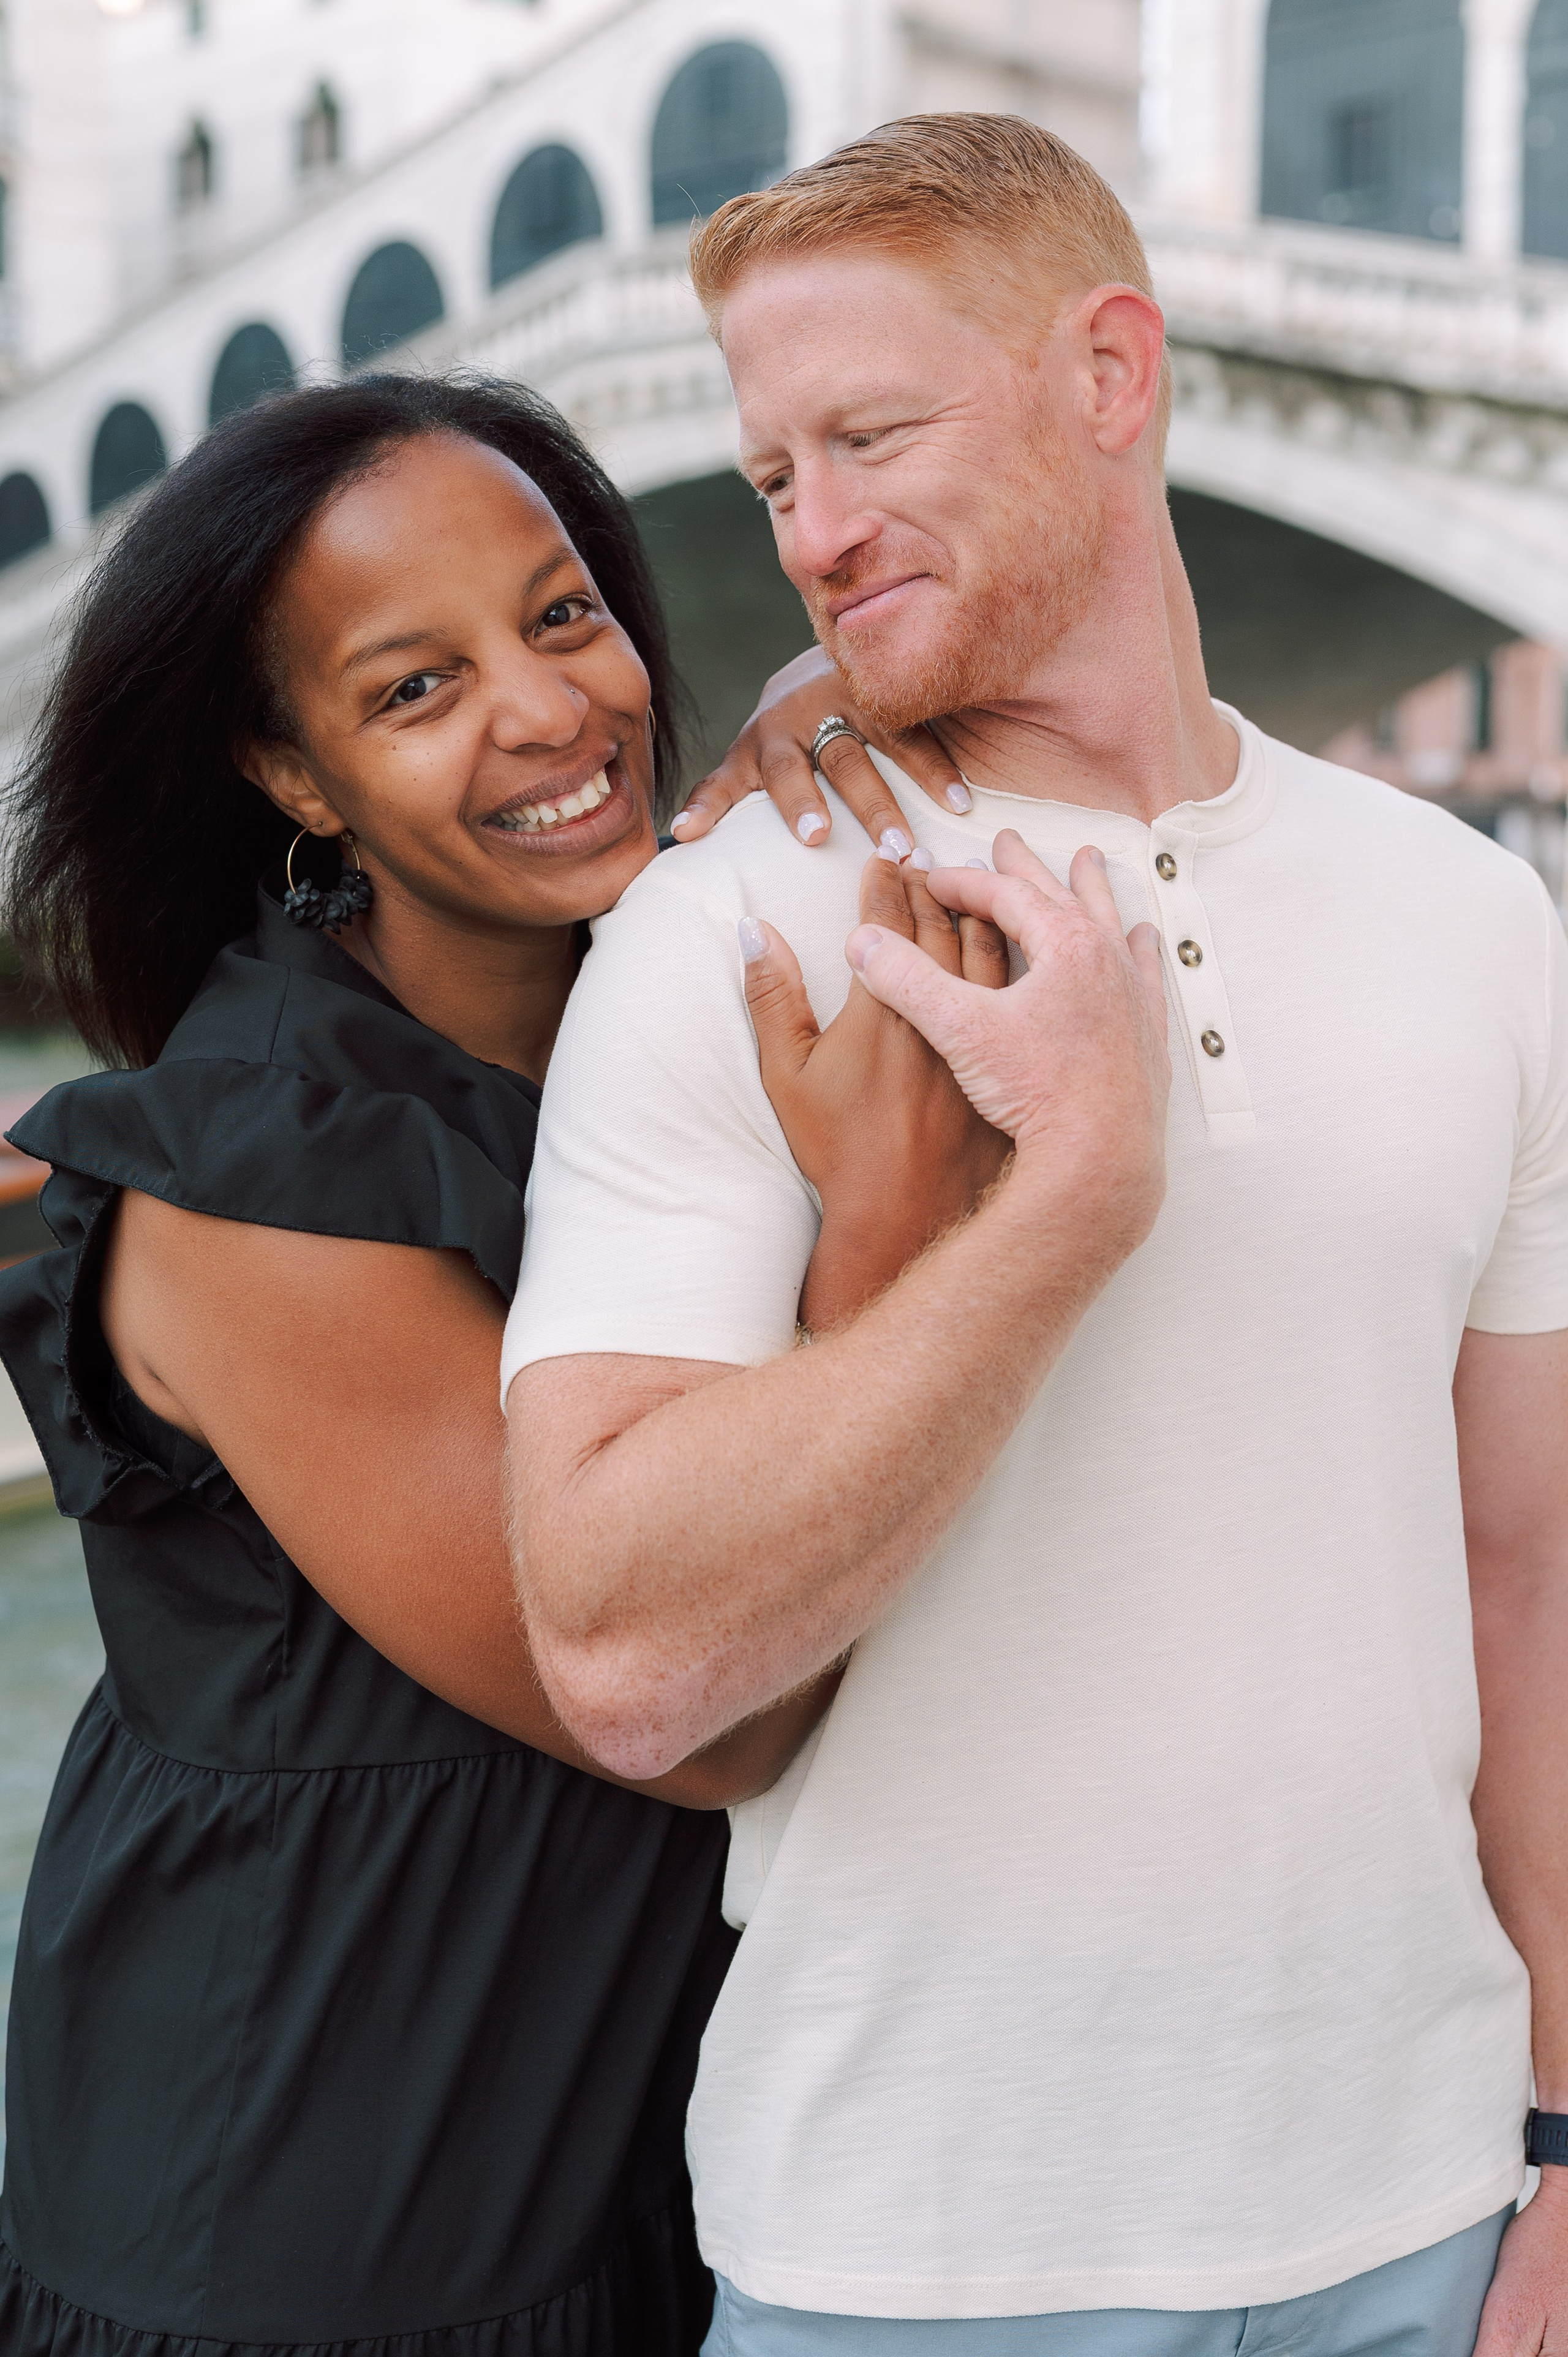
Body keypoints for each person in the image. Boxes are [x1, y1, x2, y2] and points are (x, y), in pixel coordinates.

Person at [502, 115, 1568, 2357]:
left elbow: (1528, 1576)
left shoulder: (1480, 917)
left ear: (1111, 374)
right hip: (917, 2257)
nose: (806, 530)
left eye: (867, 436)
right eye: (773, 470)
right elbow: (621, 1653)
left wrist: (1566, 2143)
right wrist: (1070, 1200)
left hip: (1436, 2215)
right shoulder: (736, 928)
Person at [0, 372, 1020, 2357]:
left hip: (645, 2180)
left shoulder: (660, 1006)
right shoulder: (255, 1193)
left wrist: (844, 711)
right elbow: (687, 1705)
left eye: (563, 618)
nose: (552, 711)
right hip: (318, 2239)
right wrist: (891, 1240)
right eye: (412, 689)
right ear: (294, 781)